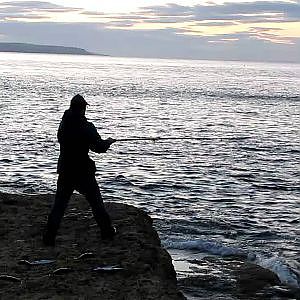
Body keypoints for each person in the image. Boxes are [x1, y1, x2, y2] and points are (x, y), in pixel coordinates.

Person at [43, 94, 116, 246]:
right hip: (82, 172)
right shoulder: (86, 126)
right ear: (82, 109)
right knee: (96, 203)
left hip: (65, 170)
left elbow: (69, 141)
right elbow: (99, 147)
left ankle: (49, 237)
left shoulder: (63, 125)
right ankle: (107, 232)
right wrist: (108, 142)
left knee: (59, 206)